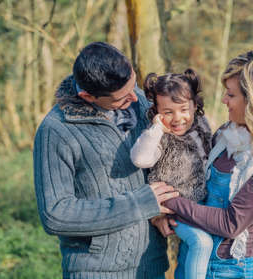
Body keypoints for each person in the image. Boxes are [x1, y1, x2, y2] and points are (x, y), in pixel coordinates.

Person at [155, 47, 253, 278]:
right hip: (191, 258)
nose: (223, 100)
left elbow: (230, 224)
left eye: (231, 94)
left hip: (231, 271)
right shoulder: (224, 136)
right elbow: (197, 192)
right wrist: (163, 215)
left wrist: (167, 200)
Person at [33, 42, 178, 279]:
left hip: (151, 265)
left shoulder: (138, 99)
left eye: (134, 85)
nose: (135, 97)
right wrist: (138, 204)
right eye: (122, 97)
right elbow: (55, 214)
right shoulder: (56, 130)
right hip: (97, 271)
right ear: (87, 96)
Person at [130, 69, 213, 279]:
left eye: (184, 109)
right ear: (157, 111)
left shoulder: (202, 126)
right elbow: (141, 159)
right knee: (201, 243)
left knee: (189, 255)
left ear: (195, 104)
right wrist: (157, 129)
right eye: (167, 112)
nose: (177, 118)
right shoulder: (158, 137)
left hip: (201, 205)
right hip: (174, 209)